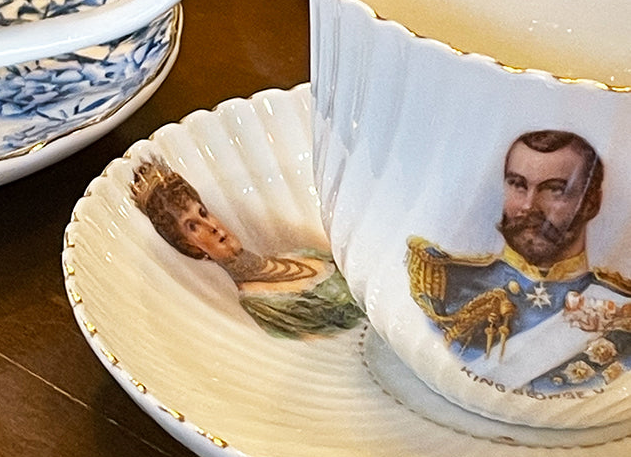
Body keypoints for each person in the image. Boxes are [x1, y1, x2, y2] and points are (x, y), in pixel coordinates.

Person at [407, 130, 631, 390]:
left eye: (555, 189)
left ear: (592, 203)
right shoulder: (447, 287)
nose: (529, 205)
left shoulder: (620, 308)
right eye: (518, 184)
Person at [130, 157, 362, 338]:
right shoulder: (262, 302)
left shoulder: (297, 255)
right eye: (193, 226)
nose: (211, 226)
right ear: (189, 247)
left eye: (203, 213)